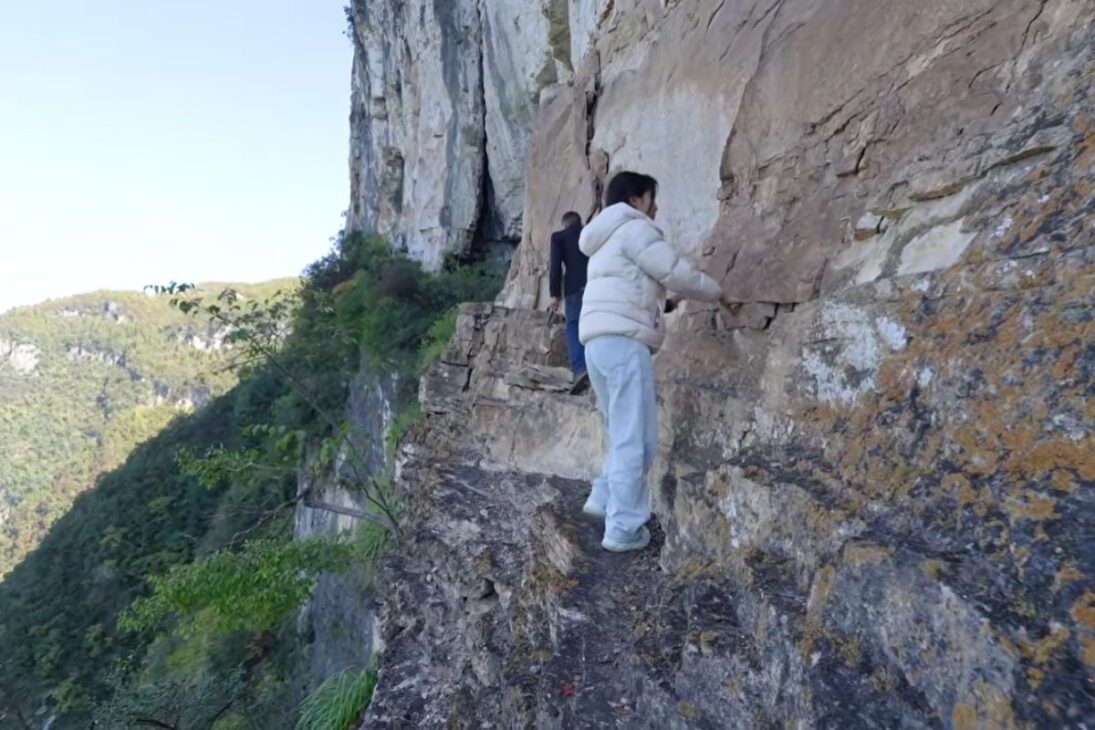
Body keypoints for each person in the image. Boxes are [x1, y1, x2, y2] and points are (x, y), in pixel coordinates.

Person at [578, 171, 736, 552]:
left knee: (619, 429)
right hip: (623, 343)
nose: (656, 207)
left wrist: (665, 304)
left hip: (596, 342)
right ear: (635, 200)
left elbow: (628, 287)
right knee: (638, 439)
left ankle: (602, 495)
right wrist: (716, 292)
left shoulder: (603, 237)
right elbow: (675, 272)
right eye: (651, 198)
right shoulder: (635, 228)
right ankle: (623, 529)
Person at [548, 211, 590, 393]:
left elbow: (555, 266)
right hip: (596, 285)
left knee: (573, 326)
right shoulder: (591, 232)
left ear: (565, 225)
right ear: (579, 222)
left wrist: (555, 295)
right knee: (594, 326)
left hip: (573, 288)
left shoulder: (559, 237)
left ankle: (580, 369)